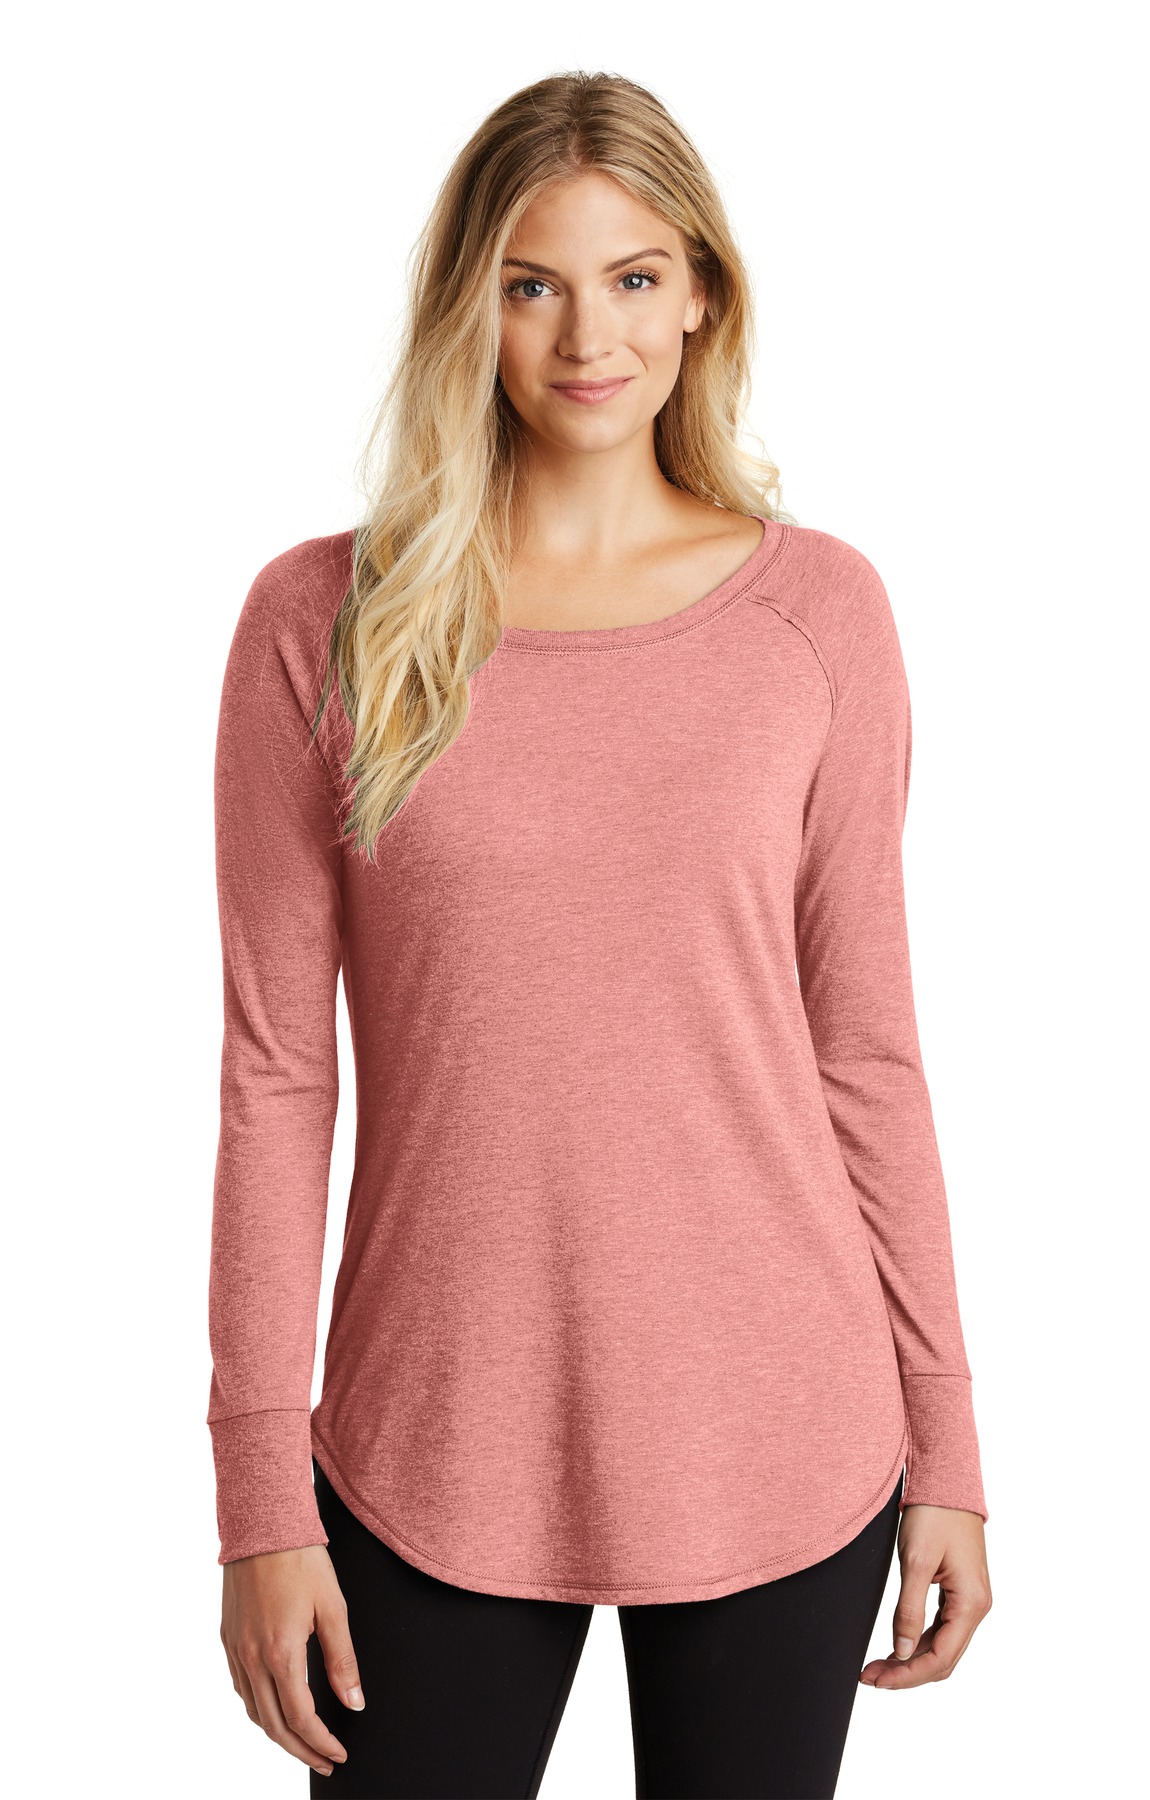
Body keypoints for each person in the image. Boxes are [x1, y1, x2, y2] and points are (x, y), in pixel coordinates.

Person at [207, 69, 992, 1800]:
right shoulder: (322, 624)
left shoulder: (820, 616)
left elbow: (866, 1050)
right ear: (467, 304)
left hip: (784, 1421)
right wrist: (259, 1492)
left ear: (702, 293)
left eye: (635, 277)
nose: (588, 336)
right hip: (434, 1431)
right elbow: (276, 1076)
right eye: (532, 283)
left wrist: (947, 1438)